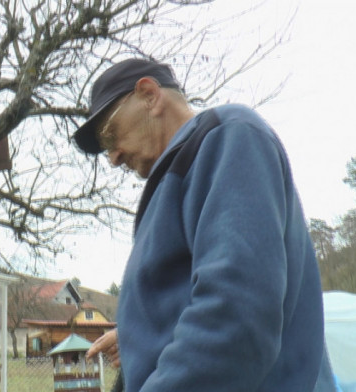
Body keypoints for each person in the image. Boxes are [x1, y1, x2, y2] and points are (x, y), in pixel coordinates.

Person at [74, 58, 336, 391]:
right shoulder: (187, 170)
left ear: (149, 95)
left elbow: (235, 316)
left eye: (110, 136)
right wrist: (139, 336)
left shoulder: (229, 136)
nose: (112, 158)